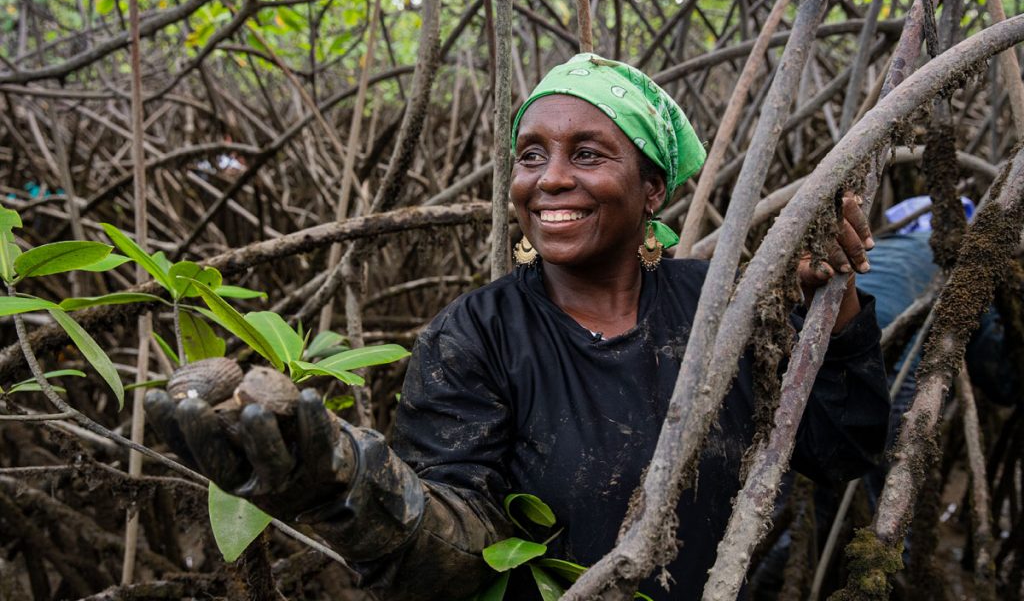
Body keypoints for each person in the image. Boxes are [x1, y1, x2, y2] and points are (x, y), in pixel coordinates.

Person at [145, 54, 890, 600]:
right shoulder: (472, 336)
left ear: (653, 187)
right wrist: (344, 481)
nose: (550, 178)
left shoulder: (721, 304)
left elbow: (839, 451)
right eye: (531, 155)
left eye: (588, 154)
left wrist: (835, 305)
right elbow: (459, 547)